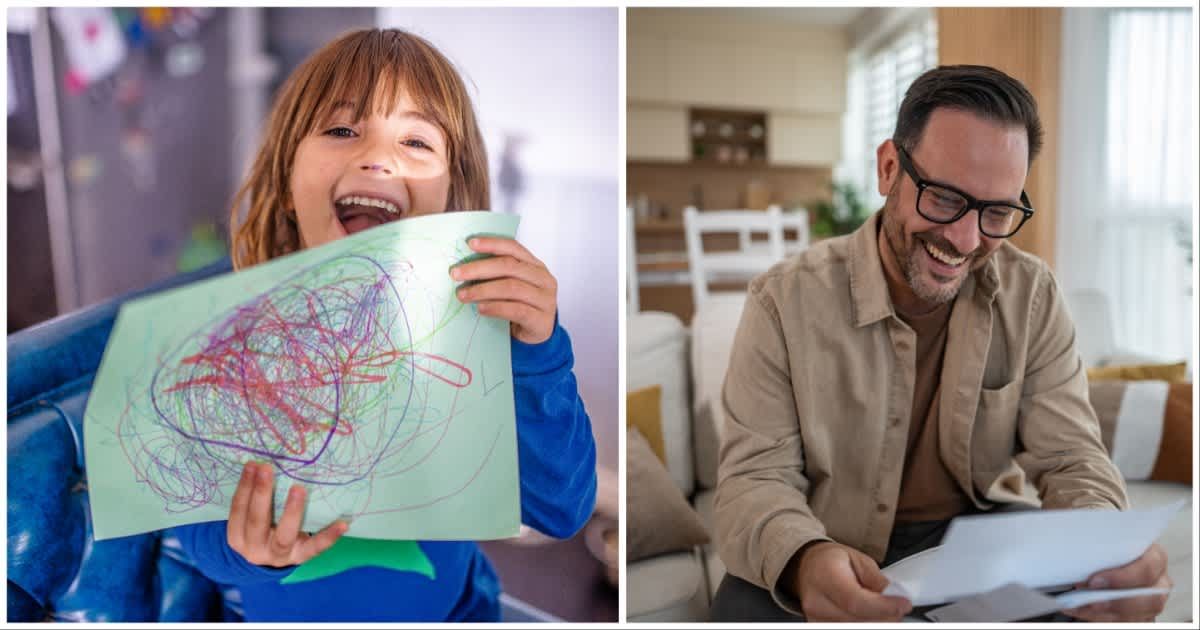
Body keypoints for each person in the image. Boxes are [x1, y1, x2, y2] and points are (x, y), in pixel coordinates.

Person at [710, 65, 1171, 623]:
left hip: (969, 547)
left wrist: (1106, 550)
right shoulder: (781, 301)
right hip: (822, 538)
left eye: (997, 211)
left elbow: (1073, 459)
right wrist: (805, 559)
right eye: (945, 198)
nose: (965, 239)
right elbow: (755, 481)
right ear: (888, 169)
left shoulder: (1032, 296)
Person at [169, 28, 597, 622]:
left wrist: (537, 354)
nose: (378, 155)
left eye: (416, 141)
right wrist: (249, 547)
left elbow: (562, 508)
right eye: (342, 130)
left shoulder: (477, 332)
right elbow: (198, 529)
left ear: (451, 199)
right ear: (289, 186)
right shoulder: (234, 343)